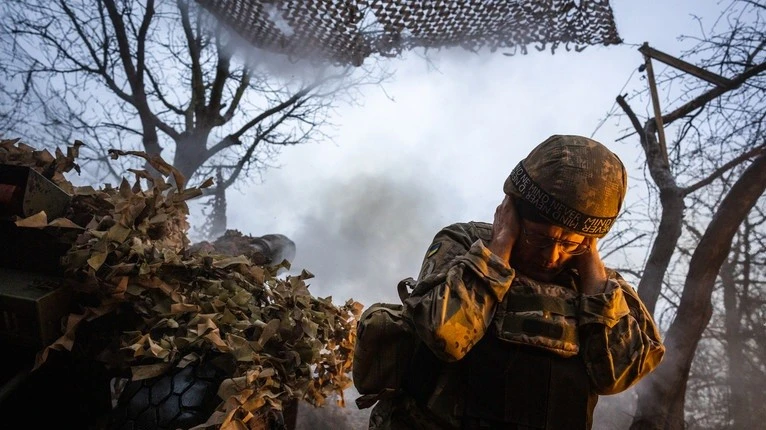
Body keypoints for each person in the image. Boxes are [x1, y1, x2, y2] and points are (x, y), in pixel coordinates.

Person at [368, 135, 665, 430]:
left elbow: (616, 377)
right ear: (512, 212)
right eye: (539, 237)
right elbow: (444, 336)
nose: (551, 255)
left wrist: (592, 276)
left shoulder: (601, 287)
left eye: (569, 244)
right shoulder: (464, 244)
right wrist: (497, 251)